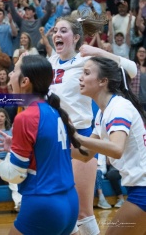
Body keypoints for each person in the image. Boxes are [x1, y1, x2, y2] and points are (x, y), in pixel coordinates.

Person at [0, 55, 86, 234]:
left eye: (14, 70)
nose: (10, 74)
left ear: (25, 81)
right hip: (69, 202)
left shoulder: (26, 117)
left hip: (44, 204)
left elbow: (13, 175)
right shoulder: (56, 111)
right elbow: (45, 155)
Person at [48, 15, 137, 235]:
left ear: (76, 37)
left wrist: (98, 52)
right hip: (56, 138)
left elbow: (132, 70)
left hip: (83, 135)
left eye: (63, 31)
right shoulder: (51, 61)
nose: (57, 34)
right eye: (55, 31)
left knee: (82, 212)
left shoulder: (85, 61)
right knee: (62, 211)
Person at [77, 56, 146, 235]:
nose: (80, 77)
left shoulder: (118, 108)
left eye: (86, 73)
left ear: (103, 81)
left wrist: (76, 136)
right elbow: (85, 154)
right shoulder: (103, 113)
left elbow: (116, 149)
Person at [130, 46, 146, 111]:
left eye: (144, 52)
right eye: (140, 51)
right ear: (136, 54)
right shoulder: (132, 66)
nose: (142, 53)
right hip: (136, 100)